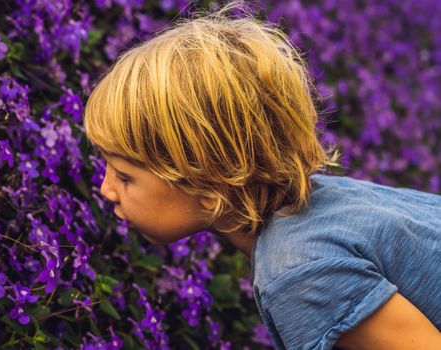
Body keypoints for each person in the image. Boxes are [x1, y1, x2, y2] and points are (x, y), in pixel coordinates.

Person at [83, 2, 441, 349]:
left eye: (125, 176)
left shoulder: (298, 273)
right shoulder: (329, 202)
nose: (106, 188)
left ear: (211, 187)